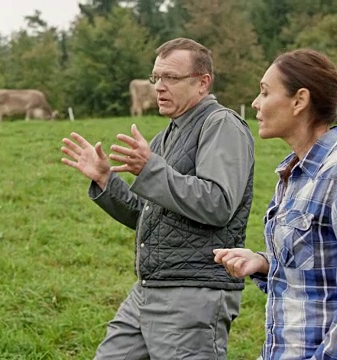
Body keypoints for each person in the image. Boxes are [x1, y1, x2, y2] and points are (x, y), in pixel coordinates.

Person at [61, 37, 255, 359]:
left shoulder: (221, 124)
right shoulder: (166, 136)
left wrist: (150, 170)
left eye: (171, 78)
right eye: (156, 77)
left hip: (192, 294)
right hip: (149, 289)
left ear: (202, 83)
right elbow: (150, 216)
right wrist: (106, 180)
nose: (159, 87)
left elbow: (218, 203)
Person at [214, 49, 337, 359]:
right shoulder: (293, 174)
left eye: (265, 92)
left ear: (299, 100)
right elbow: (316, 276)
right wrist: (262, 262)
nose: (256, 103)